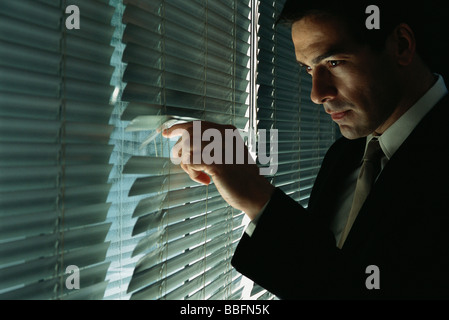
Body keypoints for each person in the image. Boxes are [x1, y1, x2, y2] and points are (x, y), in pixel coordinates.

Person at [162, 0, 449, 299]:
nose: (316, 94)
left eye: (334, 63)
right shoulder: (342, 157)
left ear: (401, 46)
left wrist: (256, 196)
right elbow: (326, 277)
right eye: (308, 69)